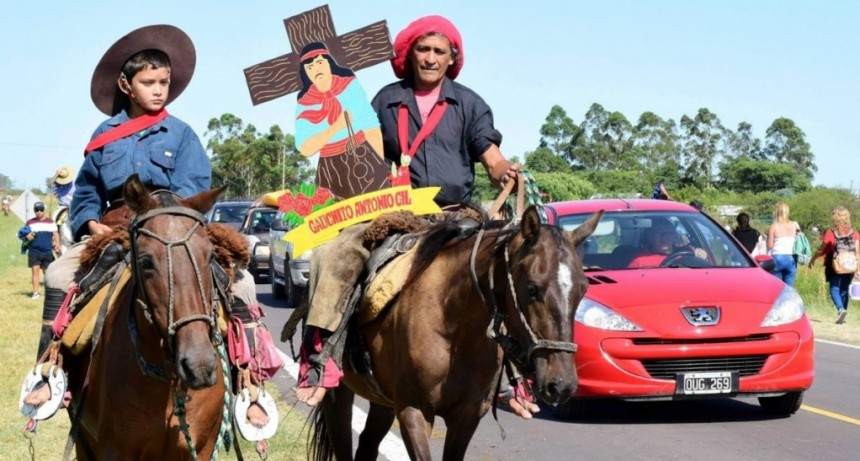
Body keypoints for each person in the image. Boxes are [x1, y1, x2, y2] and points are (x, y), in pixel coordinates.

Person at [24, 25, 271, 429]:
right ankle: (49, 370)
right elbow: (87, 190)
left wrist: (166, 221)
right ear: (126, 85)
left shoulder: (182, 134)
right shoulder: (104, 136)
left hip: (171, 232)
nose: (159, 91)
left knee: (241, 284)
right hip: (112, 233)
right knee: (56, 274)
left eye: (164, 83)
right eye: (149, 83)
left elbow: (193, 189)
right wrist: (90, 223)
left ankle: (250, 385)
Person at [296, 15, 533, 418]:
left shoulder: (469, 103)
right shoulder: (385, 101)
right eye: (423, 49)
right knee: (333, 255)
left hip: (456, 217)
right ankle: (322, 358)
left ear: (452, 59)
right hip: (397, 214)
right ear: (409, 55)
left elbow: (489, 153)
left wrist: (503, 169)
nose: (430, 58)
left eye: (440, 51)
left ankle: (513, 376)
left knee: (507, 269)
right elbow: (363, 155)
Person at [295, 42, 391, 199]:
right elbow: (306, 148)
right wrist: (336, 127)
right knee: (335, 210)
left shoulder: (349, 85)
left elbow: (370, 124)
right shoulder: (305, 102)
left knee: (376, 205)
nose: (316, 69)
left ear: (329, 62)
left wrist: (379, 166)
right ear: (305, 72)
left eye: (320, 62)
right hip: (330, 168)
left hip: (362, 156)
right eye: (310, 67)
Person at [809, 206, 859, 324]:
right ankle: (843, 314)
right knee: (844, 290)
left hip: (834, 263)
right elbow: (858, 252)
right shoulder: (854, 233)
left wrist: (813, 259)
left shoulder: (831, 233)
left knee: (834, 288)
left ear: (835, 218)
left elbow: (821, 249)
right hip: (850, 264)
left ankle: (841, 309)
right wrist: (858, 268)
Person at [22, 201, 60, 299]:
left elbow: (55, 234)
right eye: (37, 210)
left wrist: (57, 244)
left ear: (44, 210)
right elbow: (23, 234)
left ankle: (48, 293)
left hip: (47, 251)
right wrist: (27, 236)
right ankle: (35, 293)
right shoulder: (30, 222)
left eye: (41, 210)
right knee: (35, 272)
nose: (39, 212)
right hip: (34, 251)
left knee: (47, 273)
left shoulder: (50, 222)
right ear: (34, 211)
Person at [767, 202, 800, 286]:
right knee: (789, 288)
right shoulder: (794, 225)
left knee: (776, 287)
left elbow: (770, 245)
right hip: (791, 257)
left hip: (777, 257)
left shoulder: (773, 226)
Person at [50, 166, 76, 253]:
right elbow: (50, 184)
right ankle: (54, 241)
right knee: (53, 219)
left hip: (74, 206)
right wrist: (56, 174)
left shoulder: (74, 183)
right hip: (63, 206)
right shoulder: (57, 185)